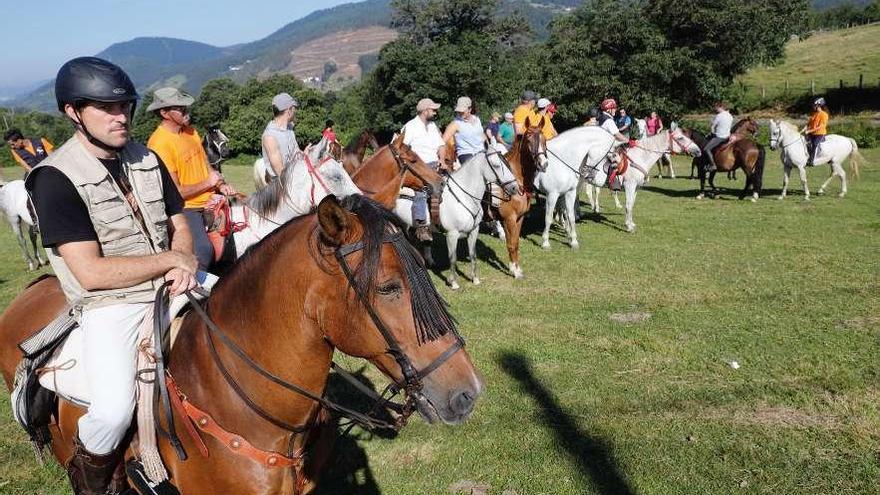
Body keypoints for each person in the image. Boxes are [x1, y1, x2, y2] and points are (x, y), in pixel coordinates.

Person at [25, 56, 198, 495]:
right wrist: (169, 263)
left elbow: (179, 222)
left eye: (125, 106)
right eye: (106, 108)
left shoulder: (147, 157)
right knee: (114, 411)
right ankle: (92, 479)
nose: (120, 117)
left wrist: (186, 258)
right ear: (73, 112)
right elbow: (90, 272)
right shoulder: (54, 178)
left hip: (175, 281)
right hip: (111, 304)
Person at [147, 87, 235, 272]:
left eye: (185, 106)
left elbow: (206, 165)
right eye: (180, 108)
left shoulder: (191, 132)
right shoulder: (159, 144)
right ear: (164, 113)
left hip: (212, 198)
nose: (187, 111)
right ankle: (193, 294)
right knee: (203, 251)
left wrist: (220, 184)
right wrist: (208, 183)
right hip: (187, 207)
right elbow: (175, 191)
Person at [401, 97, 445, 242]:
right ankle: (421, 226)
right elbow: (402, 148)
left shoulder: (433, 126)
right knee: (421, 191)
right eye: (433, 109)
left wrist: (442, 160)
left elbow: (441, 146)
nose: (435, 112)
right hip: (418, 167)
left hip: (434, 165)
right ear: (425, 111)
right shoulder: (410, 126)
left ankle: (441, 220)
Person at [261, 92, 301, 179]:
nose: (295, 111)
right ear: (289, 111)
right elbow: (281, 172)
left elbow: (296, 155)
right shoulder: (270, 137)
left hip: (295, 176)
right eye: (294, 108)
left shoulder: (289, 129)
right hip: (281, 185)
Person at [704, 101, 733, 172]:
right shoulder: (730, 116)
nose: (716, 109)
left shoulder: (719, 116)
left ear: (720, 107)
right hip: (727, 137)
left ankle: (712, 165)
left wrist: (711, 133)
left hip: (720, 137)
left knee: (706, 149)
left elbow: (712, 127)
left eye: (716, 108)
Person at [801, 97, 829, 167]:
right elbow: (809, 123)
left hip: (820, 134)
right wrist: (804, 129)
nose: (813, 107)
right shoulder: (814, 113)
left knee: (814, 144)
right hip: (812, 133)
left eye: (814, 105)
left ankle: (811, 161)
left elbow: (821, 126)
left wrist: (809, 131)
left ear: (819, 106)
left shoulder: (824, 114)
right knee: (803, 142)